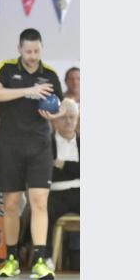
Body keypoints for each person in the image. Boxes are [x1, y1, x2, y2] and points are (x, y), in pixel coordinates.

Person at [0, 28, 65, 280]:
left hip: (40, 146)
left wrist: (54, 114)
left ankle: (41, 260)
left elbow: (61, 108)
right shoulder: (6, 69)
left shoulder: (50, 74)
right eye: (28, 51)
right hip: (10, 145)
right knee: (11, 204)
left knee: (40, 202)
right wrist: (27, 90)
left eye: (37, 51)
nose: (32, 56)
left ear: (42, 48)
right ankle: (11, 258)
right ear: (19, 49)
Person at [47, 98, 80, 268]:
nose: (68, 121)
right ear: (56, 119)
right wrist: (75, 169)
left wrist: (63, 164)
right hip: (56, 193)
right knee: (44, 212)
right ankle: (46, 258)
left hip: (80, 192)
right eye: (64, 117)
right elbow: (50, 172)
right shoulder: (47, 143)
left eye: (72, 117)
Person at [64, 67, 80, 133]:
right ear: (66, 81)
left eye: (78, 79)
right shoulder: (58, 100)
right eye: (71, 79)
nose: (75, 82)